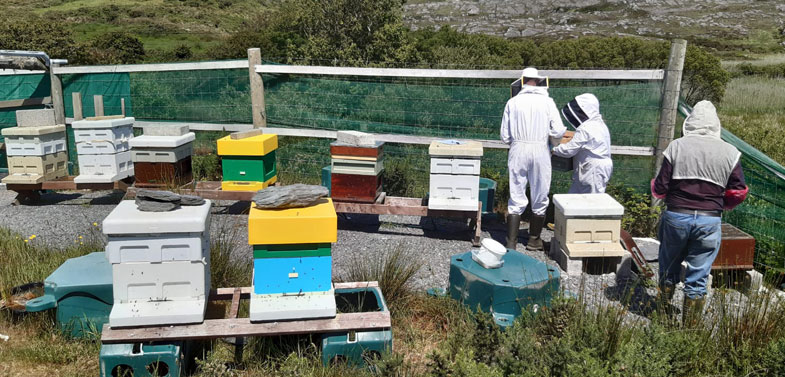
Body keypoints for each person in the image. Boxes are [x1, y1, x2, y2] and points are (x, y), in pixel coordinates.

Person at [651, 100, 748, 321]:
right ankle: (690, 330)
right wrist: (721, 205)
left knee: (668, 267)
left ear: (690, 122)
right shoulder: (730, 152)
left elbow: (660, 188)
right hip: (709, 220)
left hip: (677, 215)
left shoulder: (676, 146)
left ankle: (662, 317)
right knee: (699, 275)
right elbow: (738, 192)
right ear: (716, 125)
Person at [501, 67, 566, 251]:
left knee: (516, 193)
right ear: (537, 81)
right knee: (540, 193)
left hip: (518, 149)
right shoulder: (547, 102)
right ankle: (534, 239)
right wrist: (553, 142)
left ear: (522, 81)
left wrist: (516, 143)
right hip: (540, 149)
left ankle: (511, 242)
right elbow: (559, 130)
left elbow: (504, 136)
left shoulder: (512, 103)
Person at [552, 93, 614, 194]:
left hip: (593, 170)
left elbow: (569, 150)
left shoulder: (586, 127)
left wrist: (552, 149)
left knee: (591, 202)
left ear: (585, 110)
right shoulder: (600, 125)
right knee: (573, 199)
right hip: (593, 168)